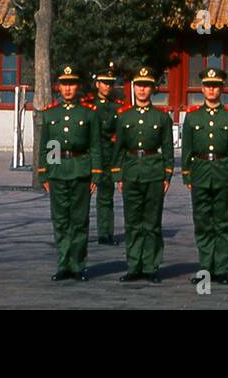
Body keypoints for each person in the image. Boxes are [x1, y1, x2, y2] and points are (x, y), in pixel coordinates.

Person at [180, 67, 228, 285]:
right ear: (202, 88)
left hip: (223, 172)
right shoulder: (192, 116)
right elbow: (187, 148)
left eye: (215, 86)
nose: (211, 90)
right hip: (199, 173)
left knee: (223, 223)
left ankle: (222, 269)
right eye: (208, 86)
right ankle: (206, 267)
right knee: (203, 222)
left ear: (222, 89)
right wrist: (187, 176)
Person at [38, 66, 101, 281]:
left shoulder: (88, 114)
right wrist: (45, 173)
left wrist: (95, 174)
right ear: (58, 86)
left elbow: (95, 146)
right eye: (64, 84)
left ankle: (78, 265)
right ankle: (63, 263)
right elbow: (48, 145)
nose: (67, 89)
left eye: (71, 84)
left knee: (79, 220)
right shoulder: (51, 114)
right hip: (58, 172)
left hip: (81, 169)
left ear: (78, 87)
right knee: (60, 220)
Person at [115, 66, 174, 283]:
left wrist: (166, 176)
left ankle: (150, 266)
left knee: (151, 222)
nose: (142, 90)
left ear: (152, 89)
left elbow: (167, 150)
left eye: (146, 86)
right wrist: (118, 176)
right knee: (132, 222)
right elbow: (118, 149)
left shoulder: (161, 118)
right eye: (139, 85)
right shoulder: (124, 117)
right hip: (131, 172)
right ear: (133, 87)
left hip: (153, 172)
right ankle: (133, 265)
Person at [87, 62, 121, 245]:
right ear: (97, 84)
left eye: (110, 83)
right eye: (104, 82)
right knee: (83, 197)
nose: (107, 86)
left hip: (109, 156)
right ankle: (80, 232)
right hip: (90, 156)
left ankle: (105, 233)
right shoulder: (88, 106)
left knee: (106, 197)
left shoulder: (117, 108)